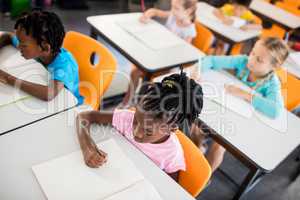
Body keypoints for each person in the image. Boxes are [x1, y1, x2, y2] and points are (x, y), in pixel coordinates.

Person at [76, 73, 204, 181]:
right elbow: (84, 117)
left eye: (148, 131)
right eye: (136, 121)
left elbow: (167, 190)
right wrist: (88, 147)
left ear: (172, 128)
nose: (136, 133)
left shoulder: (171, 155)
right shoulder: (127, 118)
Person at [192, 37, 289, 173]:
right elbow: (211, 60)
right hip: (226, 106)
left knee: (219, 146)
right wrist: (198, 70)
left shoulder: (272, 83)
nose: (251, 60)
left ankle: (203, 176)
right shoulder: (243, 61)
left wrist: (244, 94)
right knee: (196, 126)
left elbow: (275, 111)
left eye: (259, 60)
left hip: (242, 121)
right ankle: (197, 151)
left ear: (274, 66)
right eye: (252, 53)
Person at [122, 0, 198, 105]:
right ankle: (127, 100)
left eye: (176, 8)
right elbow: (154, 11)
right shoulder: (173, 15)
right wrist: (147, 15)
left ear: (189, 11)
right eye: (172, 7)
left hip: (169, 65)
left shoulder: (189, 30)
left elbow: (182, 55)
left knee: (145, 77)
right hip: (158, 55)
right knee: (135, 71)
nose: (173, 11)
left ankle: (142, 105)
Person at [0, 10, 83, 104]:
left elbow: (49, 93)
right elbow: (7, 36)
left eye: (23, 45)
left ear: (45, 48)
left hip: (69, 107)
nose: (19, 46)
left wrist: (7, 78)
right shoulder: (38, 48)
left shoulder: (64, 65)